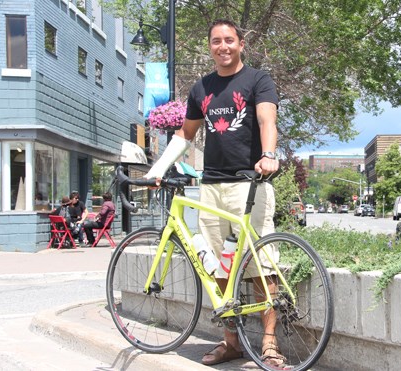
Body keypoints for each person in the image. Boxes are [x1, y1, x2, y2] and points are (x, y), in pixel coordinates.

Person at [144, 19, 282, 367]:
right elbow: (184, 135)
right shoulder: (200, 88)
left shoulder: (257, 80)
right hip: (212, 186)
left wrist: (268, 154)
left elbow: (267, 120)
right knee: (220, 269)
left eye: (229, 41)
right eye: (216, 41)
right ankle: (231, 342)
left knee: (261, 268)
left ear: (241, 44)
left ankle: (269, 343)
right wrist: (159, 167)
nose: (223, 46)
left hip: (250, 183)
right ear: (210, 47)